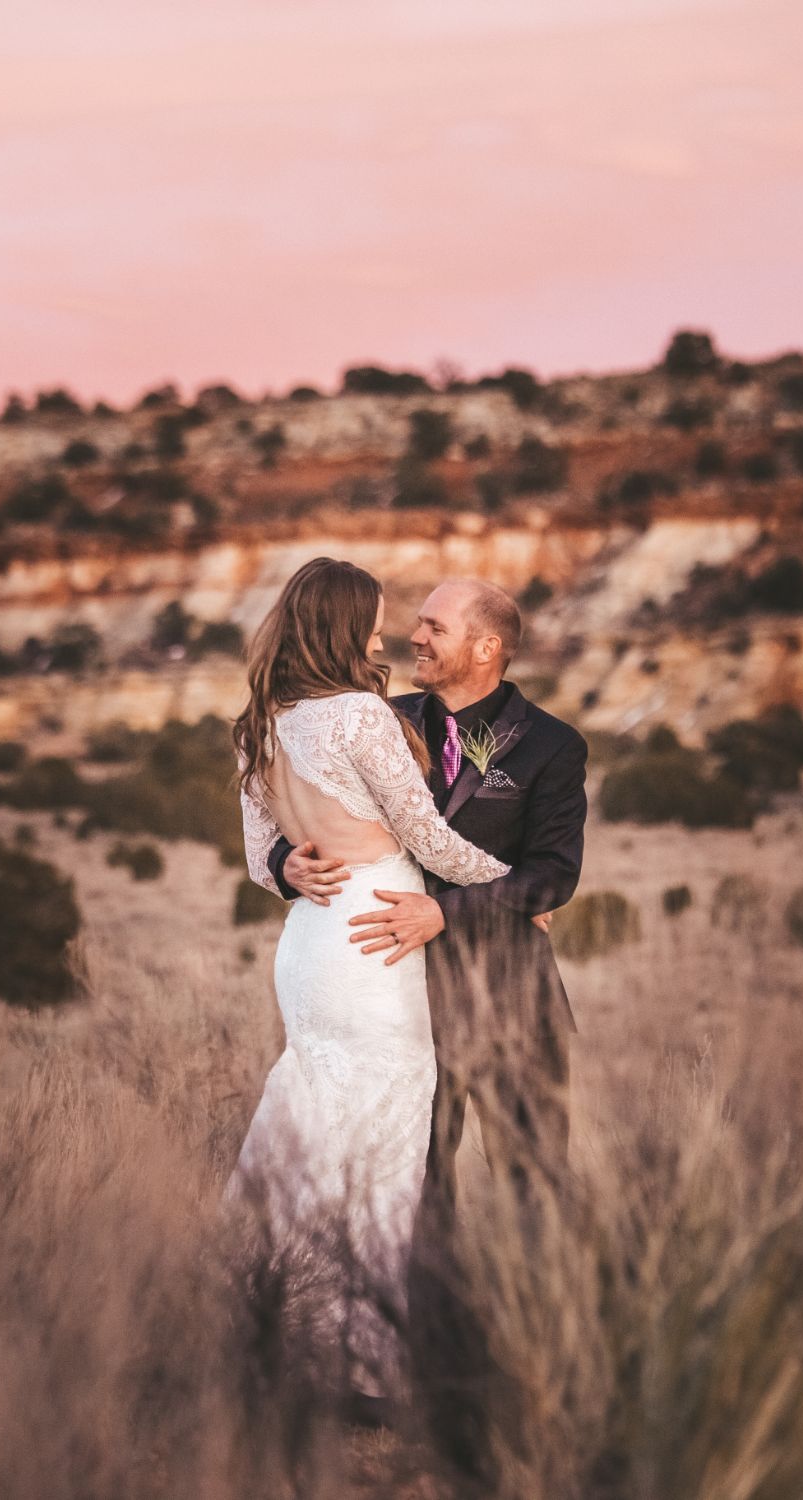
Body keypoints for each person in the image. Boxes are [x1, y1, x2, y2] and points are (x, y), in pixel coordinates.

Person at [226, 557, 508, 1405]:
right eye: (376, 618)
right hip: (375, 944)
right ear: (343, 625)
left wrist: (287, 863)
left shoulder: (261, 723)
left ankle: (268, 1332)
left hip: (313, 941)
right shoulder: (359, 716)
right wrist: (516, 887)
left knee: (310, 1120)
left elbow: (256, 861)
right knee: (383, 1144)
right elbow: (428, 838)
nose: (386, 633)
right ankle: (362, 1369)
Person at [268, 577, 588, 1217]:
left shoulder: (552, 746)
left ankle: (544, 1315)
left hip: (509, 994)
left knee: (536, 1188)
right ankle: (427, 1315)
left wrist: (447, 909)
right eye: (418, 623)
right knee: (415, 1187)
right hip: (397, 996)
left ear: (485, 648)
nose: (413, 636)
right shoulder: (380, 720)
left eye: (435, 627)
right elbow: (303, 817)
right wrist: (285, 865)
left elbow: (553, 874)